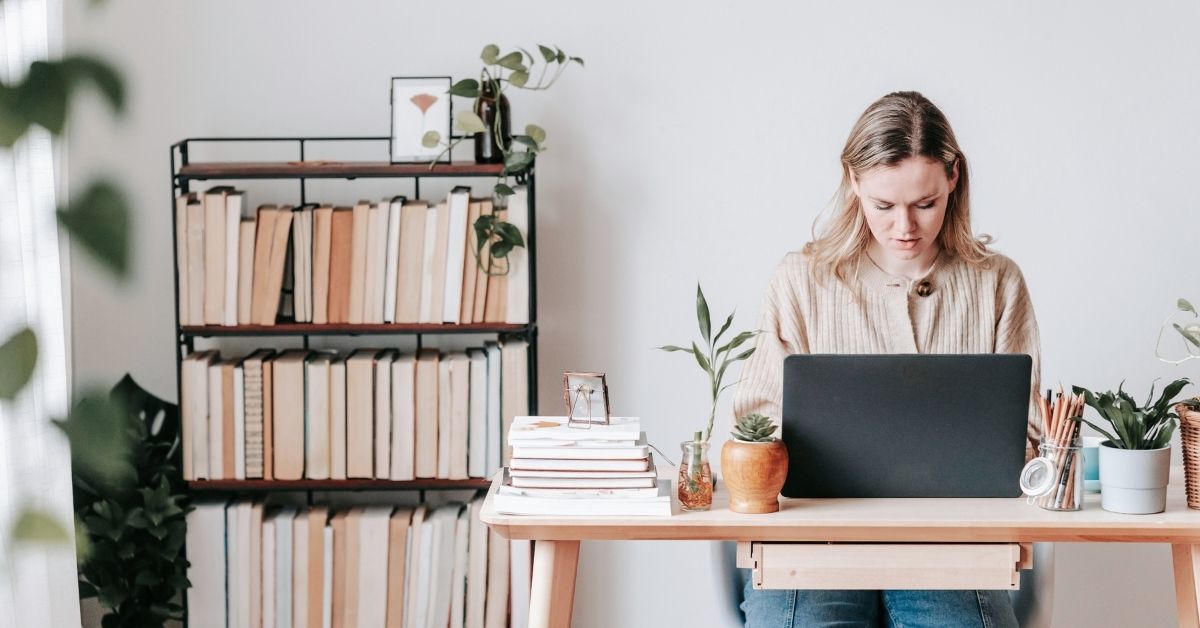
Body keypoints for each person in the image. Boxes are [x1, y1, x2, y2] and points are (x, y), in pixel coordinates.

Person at [730, 90, 1042, 628]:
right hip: (813, 544)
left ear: (953, 179)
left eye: (925, 203)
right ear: (853, 182)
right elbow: (753, 424)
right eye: (884, 206)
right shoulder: (800, 280)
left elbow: (1031, 435)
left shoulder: (997, 282)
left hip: (954, 549)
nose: (906, 227)